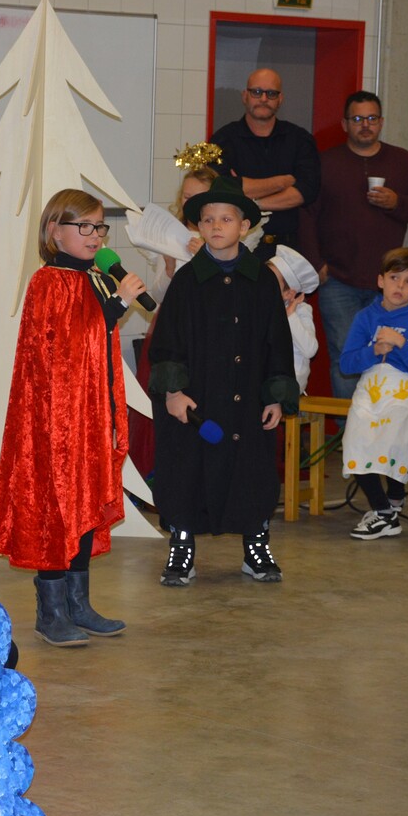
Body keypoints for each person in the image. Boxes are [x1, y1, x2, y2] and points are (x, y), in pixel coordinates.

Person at [0, 188, 146, 646]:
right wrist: (118, 305)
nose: (96, 236)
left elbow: (97, 346)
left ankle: (79, 604)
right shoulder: (48, 282)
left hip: (90, 414)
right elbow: (64, 350)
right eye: (85, 226)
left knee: (84, 505)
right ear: (55, 231)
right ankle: (51, 611)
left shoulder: (93, 277)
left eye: (100, 227)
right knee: (56, 510)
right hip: (56, 421)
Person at [149, 176, 299, 586]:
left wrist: (275, 395)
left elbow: (277, 342)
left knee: (251, 472)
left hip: (247, 401)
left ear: (244, 226)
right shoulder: (186, 282)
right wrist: (173, 391)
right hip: (197, 402)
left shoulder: (261, 281)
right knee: (187, 473)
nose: (216, 226)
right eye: (208, 219)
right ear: (199, 226)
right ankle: (182, 546)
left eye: (226, 219)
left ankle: (256, 545)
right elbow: (167, 342)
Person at [300, 90, 408, 399]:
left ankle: (383, 422)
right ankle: (350, 426)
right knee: (346, 357)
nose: (365, 125)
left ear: (381, 122)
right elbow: (306, 215)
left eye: (372, 118)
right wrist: (316, 263)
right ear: (345, 124)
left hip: (391, 283)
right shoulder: (325, 162)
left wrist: (397, 202)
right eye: (358, 119)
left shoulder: (402, 161)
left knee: (392, 354)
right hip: (338, 280)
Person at [339, 248, 408, 540]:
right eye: (395, 278)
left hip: (402, 391)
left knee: (393, 445)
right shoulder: (365, 317)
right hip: (369, 390)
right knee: (355, 444)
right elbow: (346, 363)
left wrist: (401, 344)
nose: (400, 286)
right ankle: (384, 512)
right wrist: (373, 351)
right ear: (381, 280)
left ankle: (393, 500)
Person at [125, 163, 216, 479]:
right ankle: (157, 472)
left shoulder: (221, 236)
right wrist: (167, 267)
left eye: (198, 197)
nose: (190, 203)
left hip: (207, 330)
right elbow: (159, 295)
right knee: (163, 396)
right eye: (186, 196)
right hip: (172, 325)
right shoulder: (174, 233)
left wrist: (206, 256)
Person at [210, 68, 321, 261]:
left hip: (288, 250)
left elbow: (306, 191)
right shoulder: (222, 141)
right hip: (236, 250)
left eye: (271, 93)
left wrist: (252, 202)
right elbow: (223, 189)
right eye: (256, 92)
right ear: (245, 96)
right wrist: (283, 182)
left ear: (280, 99)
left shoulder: (300, 140)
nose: (263, 99)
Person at [266, 245, 319, 393]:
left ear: (289, 294)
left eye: (271, 281)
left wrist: (289, 315)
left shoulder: (301, 311)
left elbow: (310, 349)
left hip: (288, 383)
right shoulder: (259, 306)